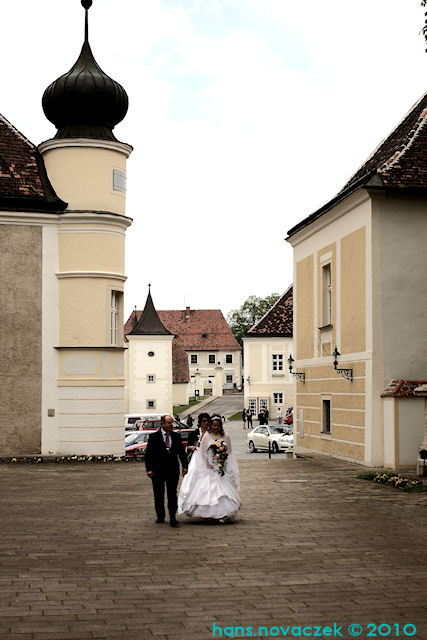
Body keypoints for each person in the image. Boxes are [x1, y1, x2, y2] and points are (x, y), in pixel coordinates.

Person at [178, 416, 240, 522]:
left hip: (220, 465)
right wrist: (208, 464)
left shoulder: (226, 436)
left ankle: (223, 514)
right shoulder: (207, 436)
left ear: (221, 426)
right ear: (211, 425)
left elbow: (229, 451)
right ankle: (207, 514)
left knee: (222, 489)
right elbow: (202, 452)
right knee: (207, 489)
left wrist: (223, 460)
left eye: (218, 425)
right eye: (214, 425)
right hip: (209, 466)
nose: (216, 427)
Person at [145, 414, 188, 527]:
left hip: (172, 470)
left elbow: (181, 453)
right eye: (168, 423)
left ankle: (173, 517)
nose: (171, 425)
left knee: (172, 494)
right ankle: (160, 515)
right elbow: (149, 454)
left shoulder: (176, 436)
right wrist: (149, 469)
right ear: (162, 424)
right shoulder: (154, 437)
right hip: (157, 470)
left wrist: (185, 466)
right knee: (159, 494)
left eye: (171, 423)